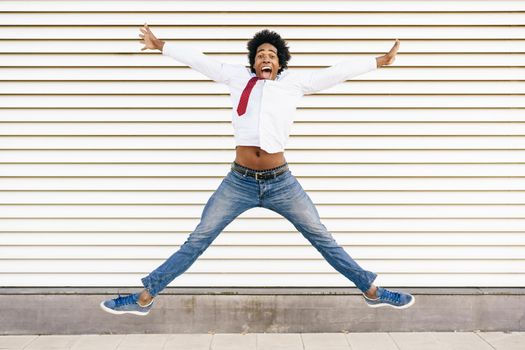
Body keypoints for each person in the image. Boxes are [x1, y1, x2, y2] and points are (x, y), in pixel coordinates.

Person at [100, 24, 414, 316]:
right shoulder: (236, 77)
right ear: (253, 61)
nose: (266, 57)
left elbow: (335, 73)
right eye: (260, 54)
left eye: (272, 55)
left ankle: (372, 290)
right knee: (198, 239)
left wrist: (379, 61)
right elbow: (199, 60)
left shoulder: (293, 84)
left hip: (281, 183)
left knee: (323, 238)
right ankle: (144, 297)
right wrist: (159, 45)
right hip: (239, 181)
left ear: (280, 63)